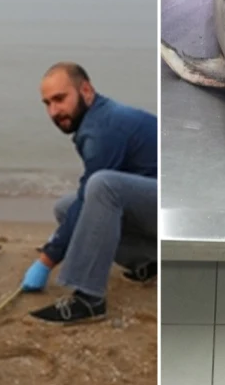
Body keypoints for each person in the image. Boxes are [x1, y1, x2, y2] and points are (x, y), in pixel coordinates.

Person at [20, 62, 157, 324]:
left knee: (102, 186)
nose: (54, 111)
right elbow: (82, 204)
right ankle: (146, 261)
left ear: (86, 91)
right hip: (152, 201)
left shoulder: (103, 130)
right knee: (65, 206)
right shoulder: (96, 120)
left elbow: (90, 195)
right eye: (47, 104)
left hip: (169, 203)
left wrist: (46, 260)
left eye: (60, 99)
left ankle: (89, 299)